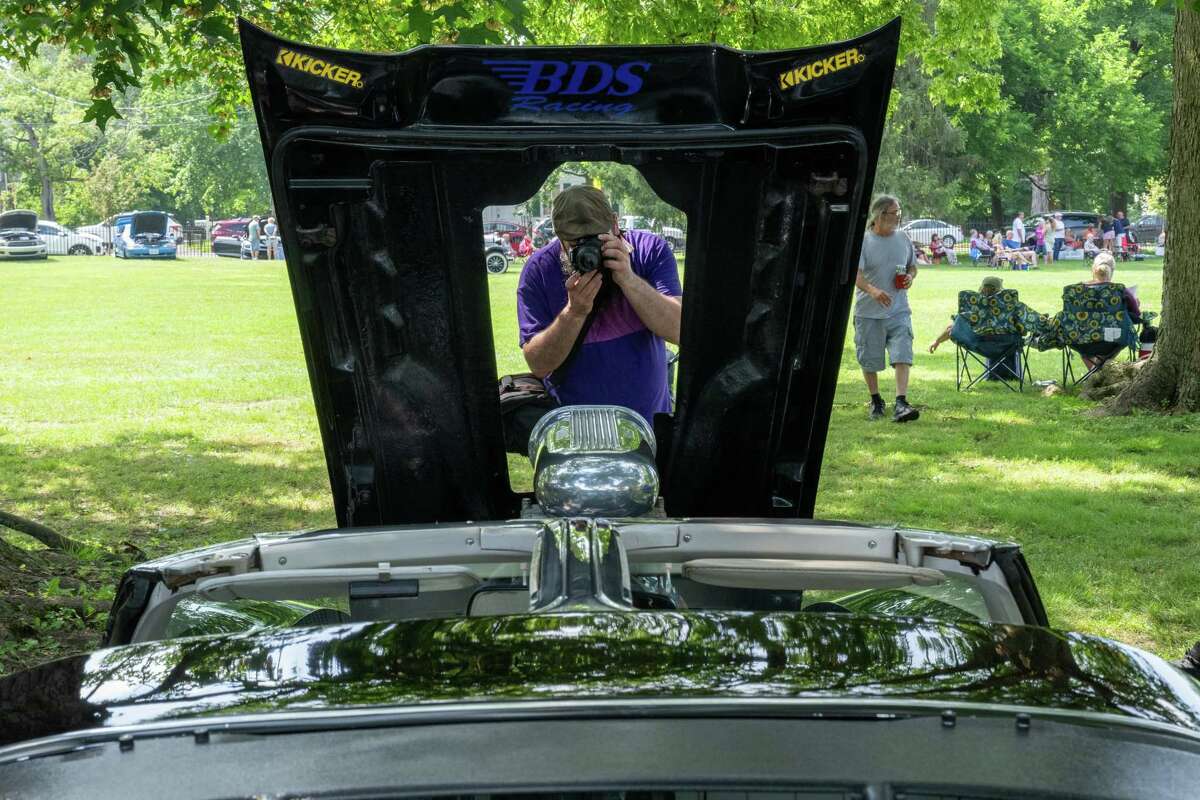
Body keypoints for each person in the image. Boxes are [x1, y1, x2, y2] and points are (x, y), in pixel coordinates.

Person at [517, 185, 682, 427]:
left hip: (647, 425)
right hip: (574, 428)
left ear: (615, 225)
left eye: (596, 238)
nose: (588, 249)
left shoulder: (649, 251)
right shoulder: (539, 270)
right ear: (559, 238)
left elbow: (679, 330)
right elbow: (539, 365)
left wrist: (628, 279)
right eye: (575, 243)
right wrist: (574, 313)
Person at [853, 194, 919, 423]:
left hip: (899, 310)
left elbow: (913, 266)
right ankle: (876, 400)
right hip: (868, 312)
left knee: (903, 353)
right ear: (881, 215)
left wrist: (910, 277)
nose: (898, 217)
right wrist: (873, 291)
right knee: (869, 359)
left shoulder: (903, 238)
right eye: (895, 212)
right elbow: (857, 275)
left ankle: (901, 402)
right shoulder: (864, 241)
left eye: (899, 212)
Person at [928, 275, 1004, 352]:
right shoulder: (1007, 310)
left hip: (981, 344)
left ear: (982, 290)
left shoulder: (974, 311)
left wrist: (937, 341)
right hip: (1006, 344)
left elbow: (953, 328)